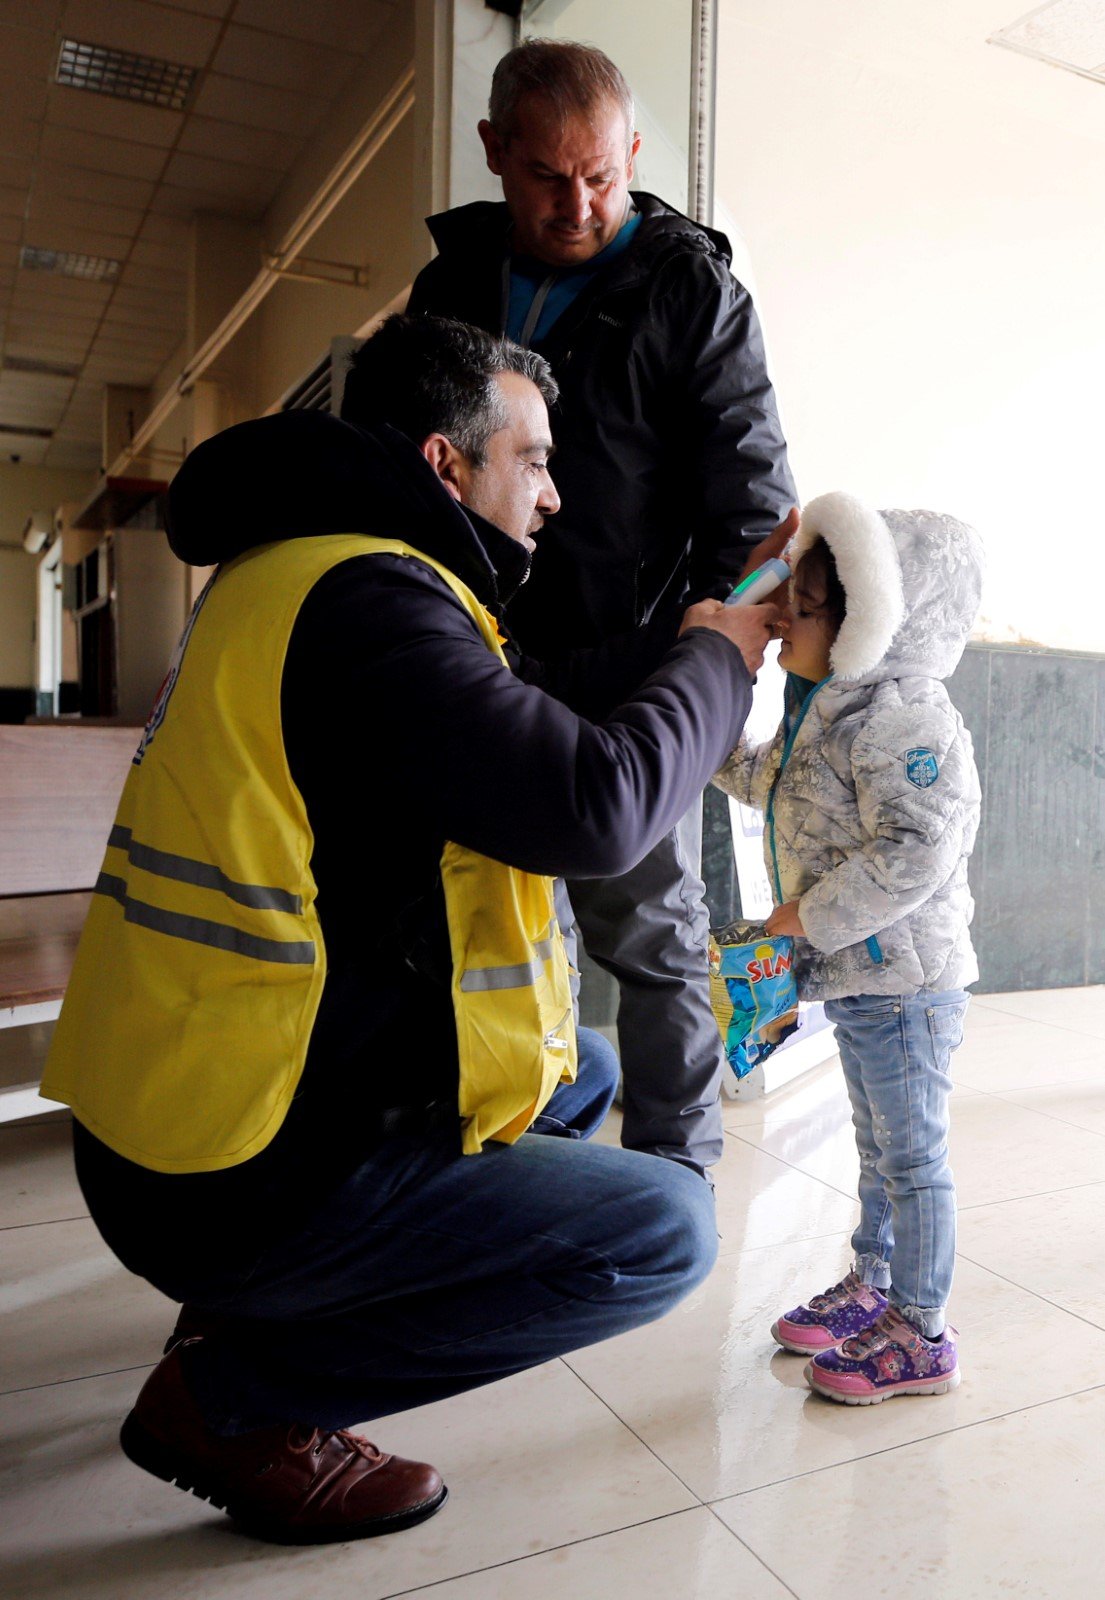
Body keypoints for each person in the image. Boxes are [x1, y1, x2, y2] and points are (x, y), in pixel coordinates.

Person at [41, 315, 780, 1544]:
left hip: (179, 1114)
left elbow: (537, 713)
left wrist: (709, 630)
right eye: (533, 459)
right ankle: (233, 1398)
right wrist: (712, 663)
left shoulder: (316, 574)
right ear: (446, 465)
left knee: (575, 1067)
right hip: (227, 1177)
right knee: (660, 1231)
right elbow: (591, 804)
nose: (552, 493)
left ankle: (267, 1309)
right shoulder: (371, 605)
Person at [406, 38, 798, 1178]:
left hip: (631, 668)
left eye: (601, 177)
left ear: (632, 153)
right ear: (494, 154)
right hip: (478, 658)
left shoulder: (691, 290)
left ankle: (675, 1163)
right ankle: (532, 1141)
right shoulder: (450, 288)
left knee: (651, 927)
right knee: (499, 920)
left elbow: (753, 501)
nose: (577, 205)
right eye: (544, 179)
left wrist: (722, 670)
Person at [713, 491, 983, 1403]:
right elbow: (774, 781)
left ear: (873, 618)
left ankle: (923, 1330)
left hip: (909, 979)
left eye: (807, 604)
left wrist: (803, 917)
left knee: (912, 1157)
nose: (784, 613)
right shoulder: (829, 704)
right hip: (864, 977)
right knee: (873, 1150)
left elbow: (916, 849)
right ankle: (876, 1282)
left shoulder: (904, 715)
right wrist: (704, 731)